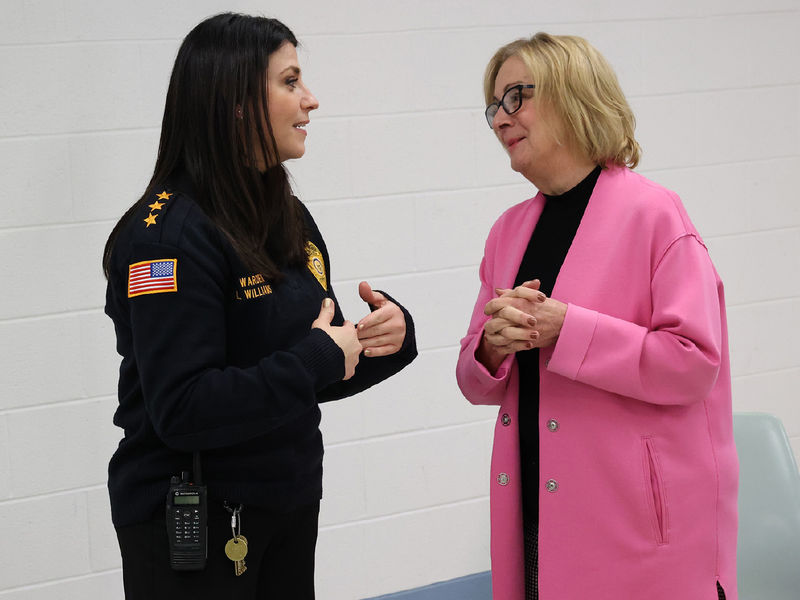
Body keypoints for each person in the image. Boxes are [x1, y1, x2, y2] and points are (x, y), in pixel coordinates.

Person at [102, 13, 416, 599]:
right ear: (238, 101)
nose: (311, 100)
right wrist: (320, 358)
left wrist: (380, 341)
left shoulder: (287, 218)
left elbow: (306, 363)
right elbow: (184, 408)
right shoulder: (164, 238)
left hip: (286, 501)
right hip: (191, 525)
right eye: (290, 81)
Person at [456, 33, 737, 600]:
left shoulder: (654, 214)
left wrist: (569, 331)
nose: (499, 118)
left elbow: (693, 364)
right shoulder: (507, 232)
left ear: (573, 96)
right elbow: (473, 380)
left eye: (517, 97)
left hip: (634, 523)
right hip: (536, 505)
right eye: (493, 105)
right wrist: (492, 347)